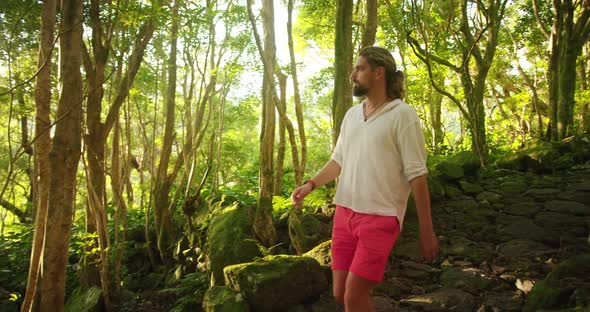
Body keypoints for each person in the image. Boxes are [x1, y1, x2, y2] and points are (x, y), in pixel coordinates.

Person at [290, 46, 438, 312]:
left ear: (379, 72)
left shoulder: (402, 115)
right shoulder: (352, 115)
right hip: (345, 213)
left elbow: (417, 175)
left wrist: (426, 231)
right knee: (340, 294)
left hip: (381, 217)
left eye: (359, 68)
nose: (353, 74)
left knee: (353, 297)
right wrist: (310, 184)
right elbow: (338, 161)